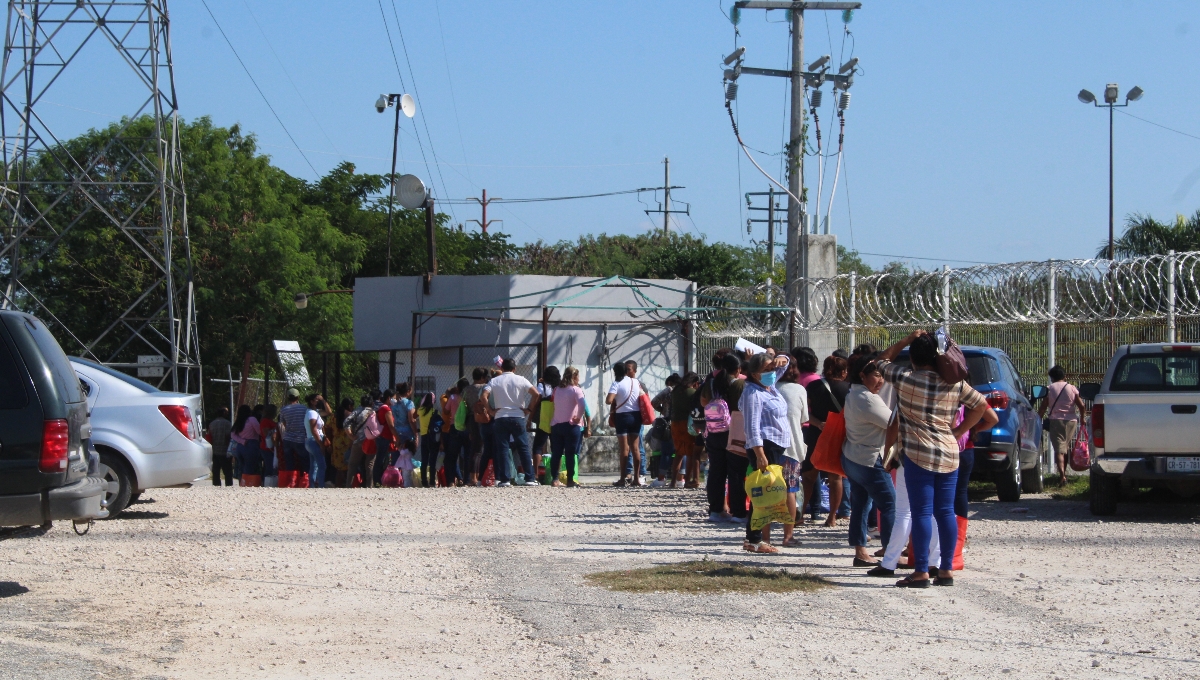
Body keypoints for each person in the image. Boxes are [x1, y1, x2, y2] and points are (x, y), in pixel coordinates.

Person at [877, 330, 990, 588]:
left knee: (921, 513)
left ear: (913, 358)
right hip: (950, 452)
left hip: (918, 454)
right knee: (946, 512)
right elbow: (981, 405)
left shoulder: (905, 378)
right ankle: (946, 569)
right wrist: (961, 431)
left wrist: (905, 340)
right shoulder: (955, 383)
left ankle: (920, 572)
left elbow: (880, 362)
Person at [840, 355, 897, 568]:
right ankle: (892, 553)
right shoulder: (868, 398)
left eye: (882, 375)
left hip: (853, 457)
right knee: (890, 505)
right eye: (876, 375)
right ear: (862, 375)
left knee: (861, 505)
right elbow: (893, 422)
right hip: (869, 460)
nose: (881, 380)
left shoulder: (854, 393)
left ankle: (861, 551)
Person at [739, 351, 792, 554]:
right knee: (762, 495)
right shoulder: (753, 393)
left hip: (776, 446)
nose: (772, 372)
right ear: (754, 374)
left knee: (769, 493)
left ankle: (755, 538)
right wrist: (760, 455)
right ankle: (754, 539)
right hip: (765, 447)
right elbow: (752, 427)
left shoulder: (769, 386)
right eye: (766, 370)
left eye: (772, 369)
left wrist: (781, 358)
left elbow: (785, 365)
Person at [702, 352, 748, 524]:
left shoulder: (711, 382)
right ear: (738, 369)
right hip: (734, 432)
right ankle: (738, 512)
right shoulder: (739, 384)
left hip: (713, 431)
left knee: (716, 471)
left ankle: (715, 510)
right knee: (736, 472)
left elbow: (703, 402)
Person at [804, 355, 850, 527]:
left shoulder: (813, 386)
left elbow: (805, 412)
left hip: (816, 434)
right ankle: (831, 517)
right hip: (837, 435)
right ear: (844, 372)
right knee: (835, 478)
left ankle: (799, 515)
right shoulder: (848, 388)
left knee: (808, 476)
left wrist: (817, 423)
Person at [483, 358, 541, 487]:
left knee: (502, 448)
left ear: (502, 368)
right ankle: (530, 478)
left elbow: (483, 395)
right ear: (514, 369)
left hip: (500, 417)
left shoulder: (494, 381)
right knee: (523, 448)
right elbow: (536, 394)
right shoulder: (521, 379)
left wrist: (490, 410)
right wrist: (529, 410)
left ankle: (505, 479)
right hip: (517, 416)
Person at [775, 361, 810, 545]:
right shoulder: (799, 390)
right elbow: (804, 418)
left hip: (769, 446)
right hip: (791, 446)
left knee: (766, 487)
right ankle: (788, 535)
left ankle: (763, 535)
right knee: (790, 489)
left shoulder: (767, 388)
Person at [1040, 365, 1088, 486]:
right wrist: (1082, 418)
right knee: (1065, 448)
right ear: (1064, 376)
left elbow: (1043, 406)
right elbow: (1082, 406)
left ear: (1052, 378)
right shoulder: (1071, 388)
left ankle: (1062, 477)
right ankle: (1064, 473)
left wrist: (1037, 418)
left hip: (1056, 421)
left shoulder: (1049, 389)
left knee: (1059, 450)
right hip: (1072, 421)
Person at [606, 361, 645, 487]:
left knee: (624, 449)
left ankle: (622, 479)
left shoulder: (616, 383)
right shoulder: (635, 381)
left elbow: (609, 400)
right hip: (636, 416)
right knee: (635, 448)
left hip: (622, 417)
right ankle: (637, 479)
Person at [549, 366, 588, 487]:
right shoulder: (576, 390)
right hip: (571, 425)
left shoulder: (556, 389)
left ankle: (555, 479)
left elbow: (553, 402)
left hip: (556, 424)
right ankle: (570, 480)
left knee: (556, 453)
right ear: (575, 377)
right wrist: (578, 417)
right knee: (570, 454)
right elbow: (582, 405)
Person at [669, 372, 701, 489]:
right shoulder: (693, 392)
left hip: (675, 424)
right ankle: (687, 481)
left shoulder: (675, 391)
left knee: (678, 453)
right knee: (690, 453)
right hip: (687, 424)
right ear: (694, 383)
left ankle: (673, 481)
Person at [649, 374, 680, 487]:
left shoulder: (669, 390)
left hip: (668, 424)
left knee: (666, 452)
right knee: (682, 452)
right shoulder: (684, 390)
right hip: (682, 423)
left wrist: (662, 410)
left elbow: (654, 402)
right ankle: (681, 479)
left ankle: (661, 478)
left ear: (670, 383)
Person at [461, 368, 491, 486]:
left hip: (471, 420)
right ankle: (477, 477)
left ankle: (472, 477)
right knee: (481, 450)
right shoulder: (486, 387)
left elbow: (462, 404)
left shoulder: (466, 389)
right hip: (484, 418)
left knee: (474, 449)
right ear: (483, 377)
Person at [342, 395, 375, 488]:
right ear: (372, 403)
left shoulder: (357, 411)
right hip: (371, 441)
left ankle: (349, 485)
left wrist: (351, 436)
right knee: (369, 464)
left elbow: (346, 423)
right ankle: (370, 485)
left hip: (358, 441)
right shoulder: (374, 412)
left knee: (352, 464)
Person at [417, 392, 442, 487]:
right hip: (433, 438)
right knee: (432, 460)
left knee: (424, 460)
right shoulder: (435, 412)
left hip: (424, 437)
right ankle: (432, 481)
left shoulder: (420, 410)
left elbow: (417, 412)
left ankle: (424, 481)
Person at [329, 398, 353, 487]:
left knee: (339, 468)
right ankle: (347, 485)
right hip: (347, 442)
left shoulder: (334, 416)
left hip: (336, 443)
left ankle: (338, 485)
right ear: (350, 406)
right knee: (348, 466)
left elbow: (327, 427)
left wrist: (330, 441)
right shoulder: (350, 416)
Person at [232, 404, 262, 478]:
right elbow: (260, 432)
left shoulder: (239, 421)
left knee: (242, 468)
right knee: (250, 468)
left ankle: (242, 482)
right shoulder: (252, 419)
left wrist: (241, 441)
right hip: (251, 445)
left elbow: (232, 434)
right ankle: (248, 485)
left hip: (240, 446)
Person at [304, 394, 327, 488]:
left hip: (310, 440)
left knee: (314, 466)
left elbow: (328, 412)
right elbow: (314, 430)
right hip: (314, 440)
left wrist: (323, 400)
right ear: (311, 402)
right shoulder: (312, 413)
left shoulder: (314, 412)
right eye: (316, 400)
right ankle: (320, 486)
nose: (318, 401)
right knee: (322, 465)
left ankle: (312, 486)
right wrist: (321, 444)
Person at [206, 407, 234, 486]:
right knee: (228, 471)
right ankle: (229, 485)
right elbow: (228, 436)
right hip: (225, 450)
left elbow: (209, 437)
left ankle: (216, 486)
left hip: (214, 450)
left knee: (216, 471)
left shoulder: (212, 424)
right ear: (224, 413)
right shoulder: (227, 423)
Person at [259, 404, 279, 480]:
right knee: (269, 467)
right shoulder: (265, 421)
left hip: (271, 447)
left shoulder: (270, 421)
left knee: (270, 466)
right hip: (267, 447)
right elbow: (266, 434)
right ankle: (267, 482)